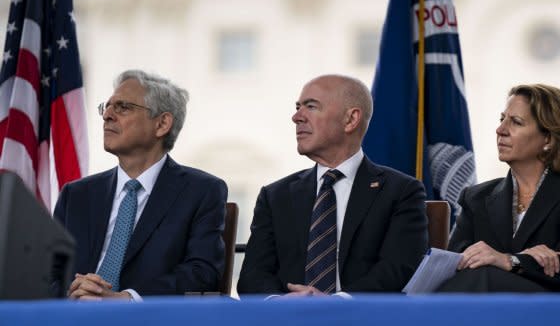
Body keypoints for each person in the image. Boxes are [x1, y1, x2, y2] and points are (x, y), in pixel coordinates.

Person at [237, 74, 428, 295]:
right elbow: (253, 276)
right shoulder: (275, 196)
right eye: (298, 107)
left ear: (351, 119)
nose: (296, 117)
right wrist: (278, 303)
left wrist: (336, 304)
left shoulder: (401, 191)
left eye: (311, 106)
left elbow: (398, 270)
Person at [53, 70, 227, 300]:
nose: (107, 115)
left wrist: (126, 299)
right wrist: (72, 294)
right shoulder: (76, 194)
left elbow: (201, 274)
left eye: (123, 107)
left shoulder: (202, 191)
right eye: (106, 106)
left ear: (162, 123)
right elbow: (45, 274)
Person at [438, 84, 560, 292]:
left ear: (548, 138)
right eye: (502, 119)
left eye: (516, 122)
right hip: (487, 310)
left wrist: (511, 261)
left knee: (482, 277)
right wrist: (525, 260)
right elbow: (458, 260)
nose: (500, 130)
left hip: (556, 310)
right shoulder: (476, 197)